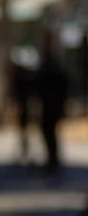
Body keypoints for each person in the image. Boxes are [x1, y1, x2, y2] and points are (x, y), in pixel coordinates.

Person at [36, 28, 70, 175]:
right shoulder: (49, 59)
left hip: (52, 103)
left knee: (50, 131)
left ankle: (53, 161)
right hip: (49, 102)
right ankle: (52, 160)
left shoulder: (53, 60)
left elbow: (60, 83)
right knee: (48, 131)